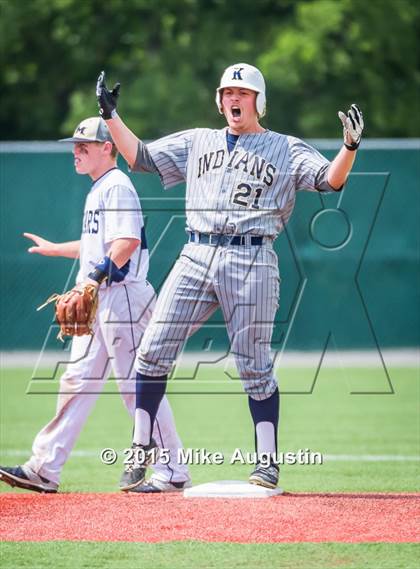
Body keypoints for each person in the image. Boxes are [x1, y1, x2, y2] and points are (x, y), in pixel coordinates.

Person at [96, 63, 364, 489]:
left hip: (253, 257)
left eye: (243, 93)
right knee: (150, 350)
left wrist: (349, 147)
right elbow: (141, 158)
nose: (234, 99)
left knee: (253, 365)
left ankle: (267, 461)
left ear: (259, 101)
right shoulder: (198, 141)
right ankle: (140, 445)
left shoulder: (286, 147)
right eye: (227, 93)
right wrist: (111, 117)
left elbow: (329, 182)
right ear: (219, 101)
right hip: (196, 252)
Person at [0, 117, 191, 494]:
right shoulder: (100, 187)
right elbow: (99, 247)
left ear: (109, 148)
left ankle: (173, 469)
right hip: (103, 298)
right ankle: (44, 467)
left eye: (85, 145)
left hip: (123, 299)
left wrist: (90, 279)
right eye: (75, 144)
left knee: (136, 387)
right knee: (76, 382)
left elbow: (126, 243)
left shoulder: (117, 186)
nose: (77, 150)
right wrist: (58, 249)